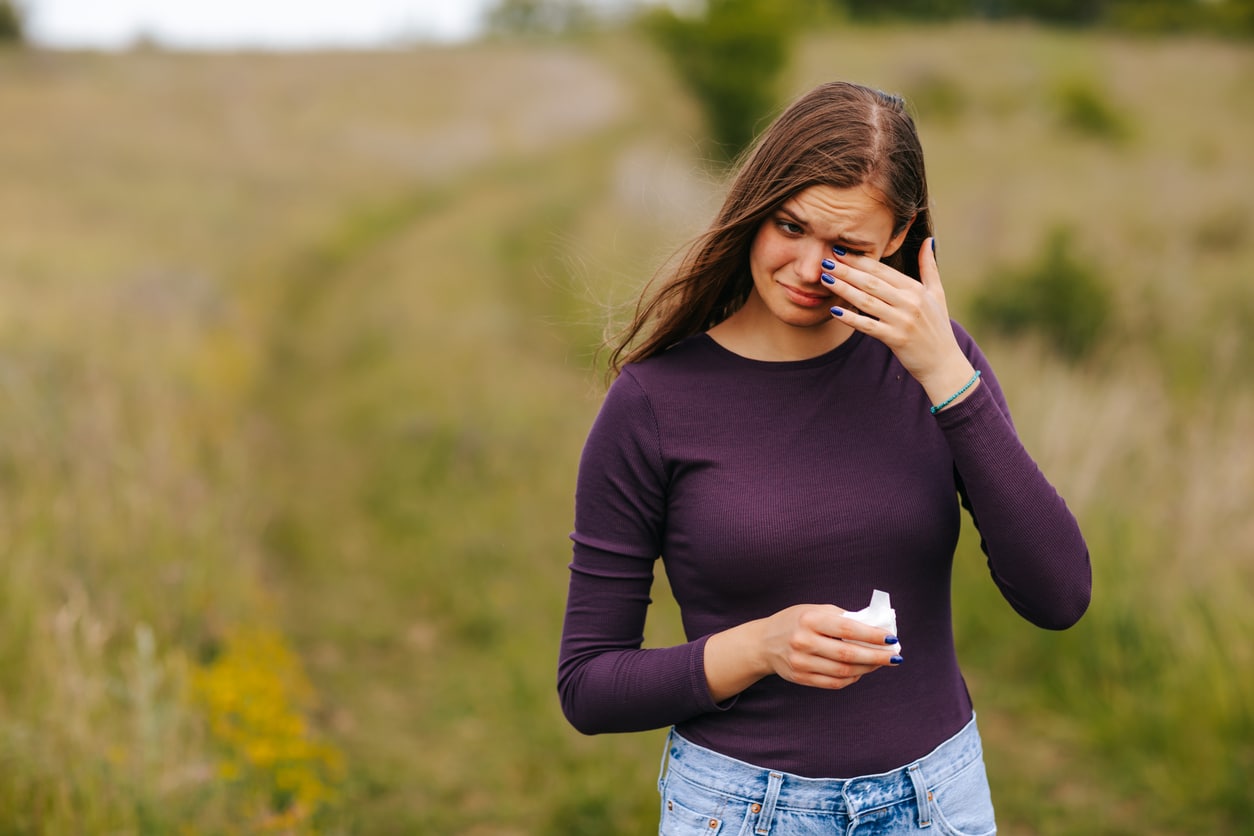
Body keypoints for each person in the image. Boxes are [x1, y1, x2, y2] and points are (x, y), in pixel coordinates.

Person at [557, 81, 1091, 835]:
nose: (810, 269)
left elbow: (1059, 596)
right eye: (790, 227)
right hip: (741, 811)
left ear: (900, 237)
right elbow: (588, 686)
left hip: (938, 802)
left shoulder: (941, 369)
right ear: (756, 207)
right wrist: (758, 647)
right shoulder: (654, 403)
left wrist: (947, 379)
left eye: (846, 249)